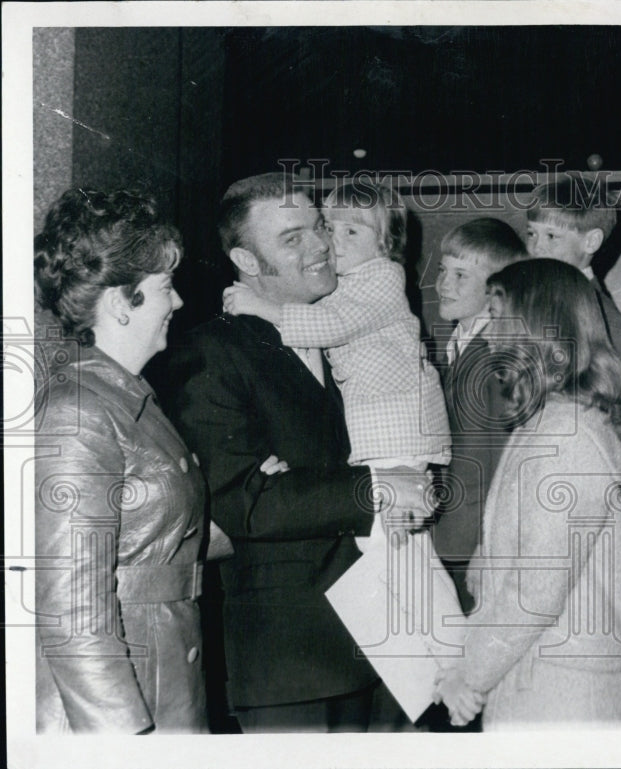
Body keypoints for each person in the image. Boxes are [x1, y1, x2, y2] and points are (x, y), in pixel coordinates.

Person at [167, 173, 433, 733]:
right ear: (245, 258)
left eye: (320, 227)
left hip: (395, 644)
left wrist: (297, 486)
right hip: (295, 660)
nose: (321, 246)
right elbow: (246, 503)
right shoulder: (212, 351)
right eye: (293, 239)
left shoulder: (351, 328)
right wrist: (378, 486)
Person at [434, 258, 621, 730]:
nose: (489, 336)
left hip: (566, 691)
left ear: (536, 328)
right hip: (546, 675)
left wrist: (469, 674)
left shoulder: (567, 437)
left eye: (498, 318)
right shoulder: (551, 421)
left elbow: (536, 591)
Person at [34, 188, 207, 733]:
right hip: (127, 695)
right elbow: (71, 607)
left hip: (161, 661)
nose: (177, 303)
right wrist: (122, 740)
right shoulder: (80, 411)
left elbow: (149, 536)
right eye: (165, 288)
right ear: (119, 303)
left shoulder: (127, 397)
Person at [222, 180, 450, 472]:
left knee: (389, 507)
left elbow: (333, 325)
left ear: (385, 244)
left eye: (351, 232)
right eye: (329, 229)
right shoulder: (346, 282)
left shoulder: (384, 278)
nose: (331, 243)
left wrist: (259, 306)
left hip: (398, 435)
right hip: (376, 435)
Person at [433, 217, 527, 613]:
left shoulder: (495, 357)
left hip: (476, 545)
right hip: (452, 535)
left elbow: (505, 465)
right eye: (443, 270)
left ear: (495, 294)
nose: (444, 283)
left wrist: (487, 547)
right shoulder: (457, 343)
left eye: (461, 275)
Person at [525, 175, 621, 381]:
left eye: (551, 236)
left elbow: (618, 396)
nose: (536, 247)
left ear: (591, 241)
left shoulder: (602, 317)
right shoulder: (540, 300)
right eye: (532, 234)